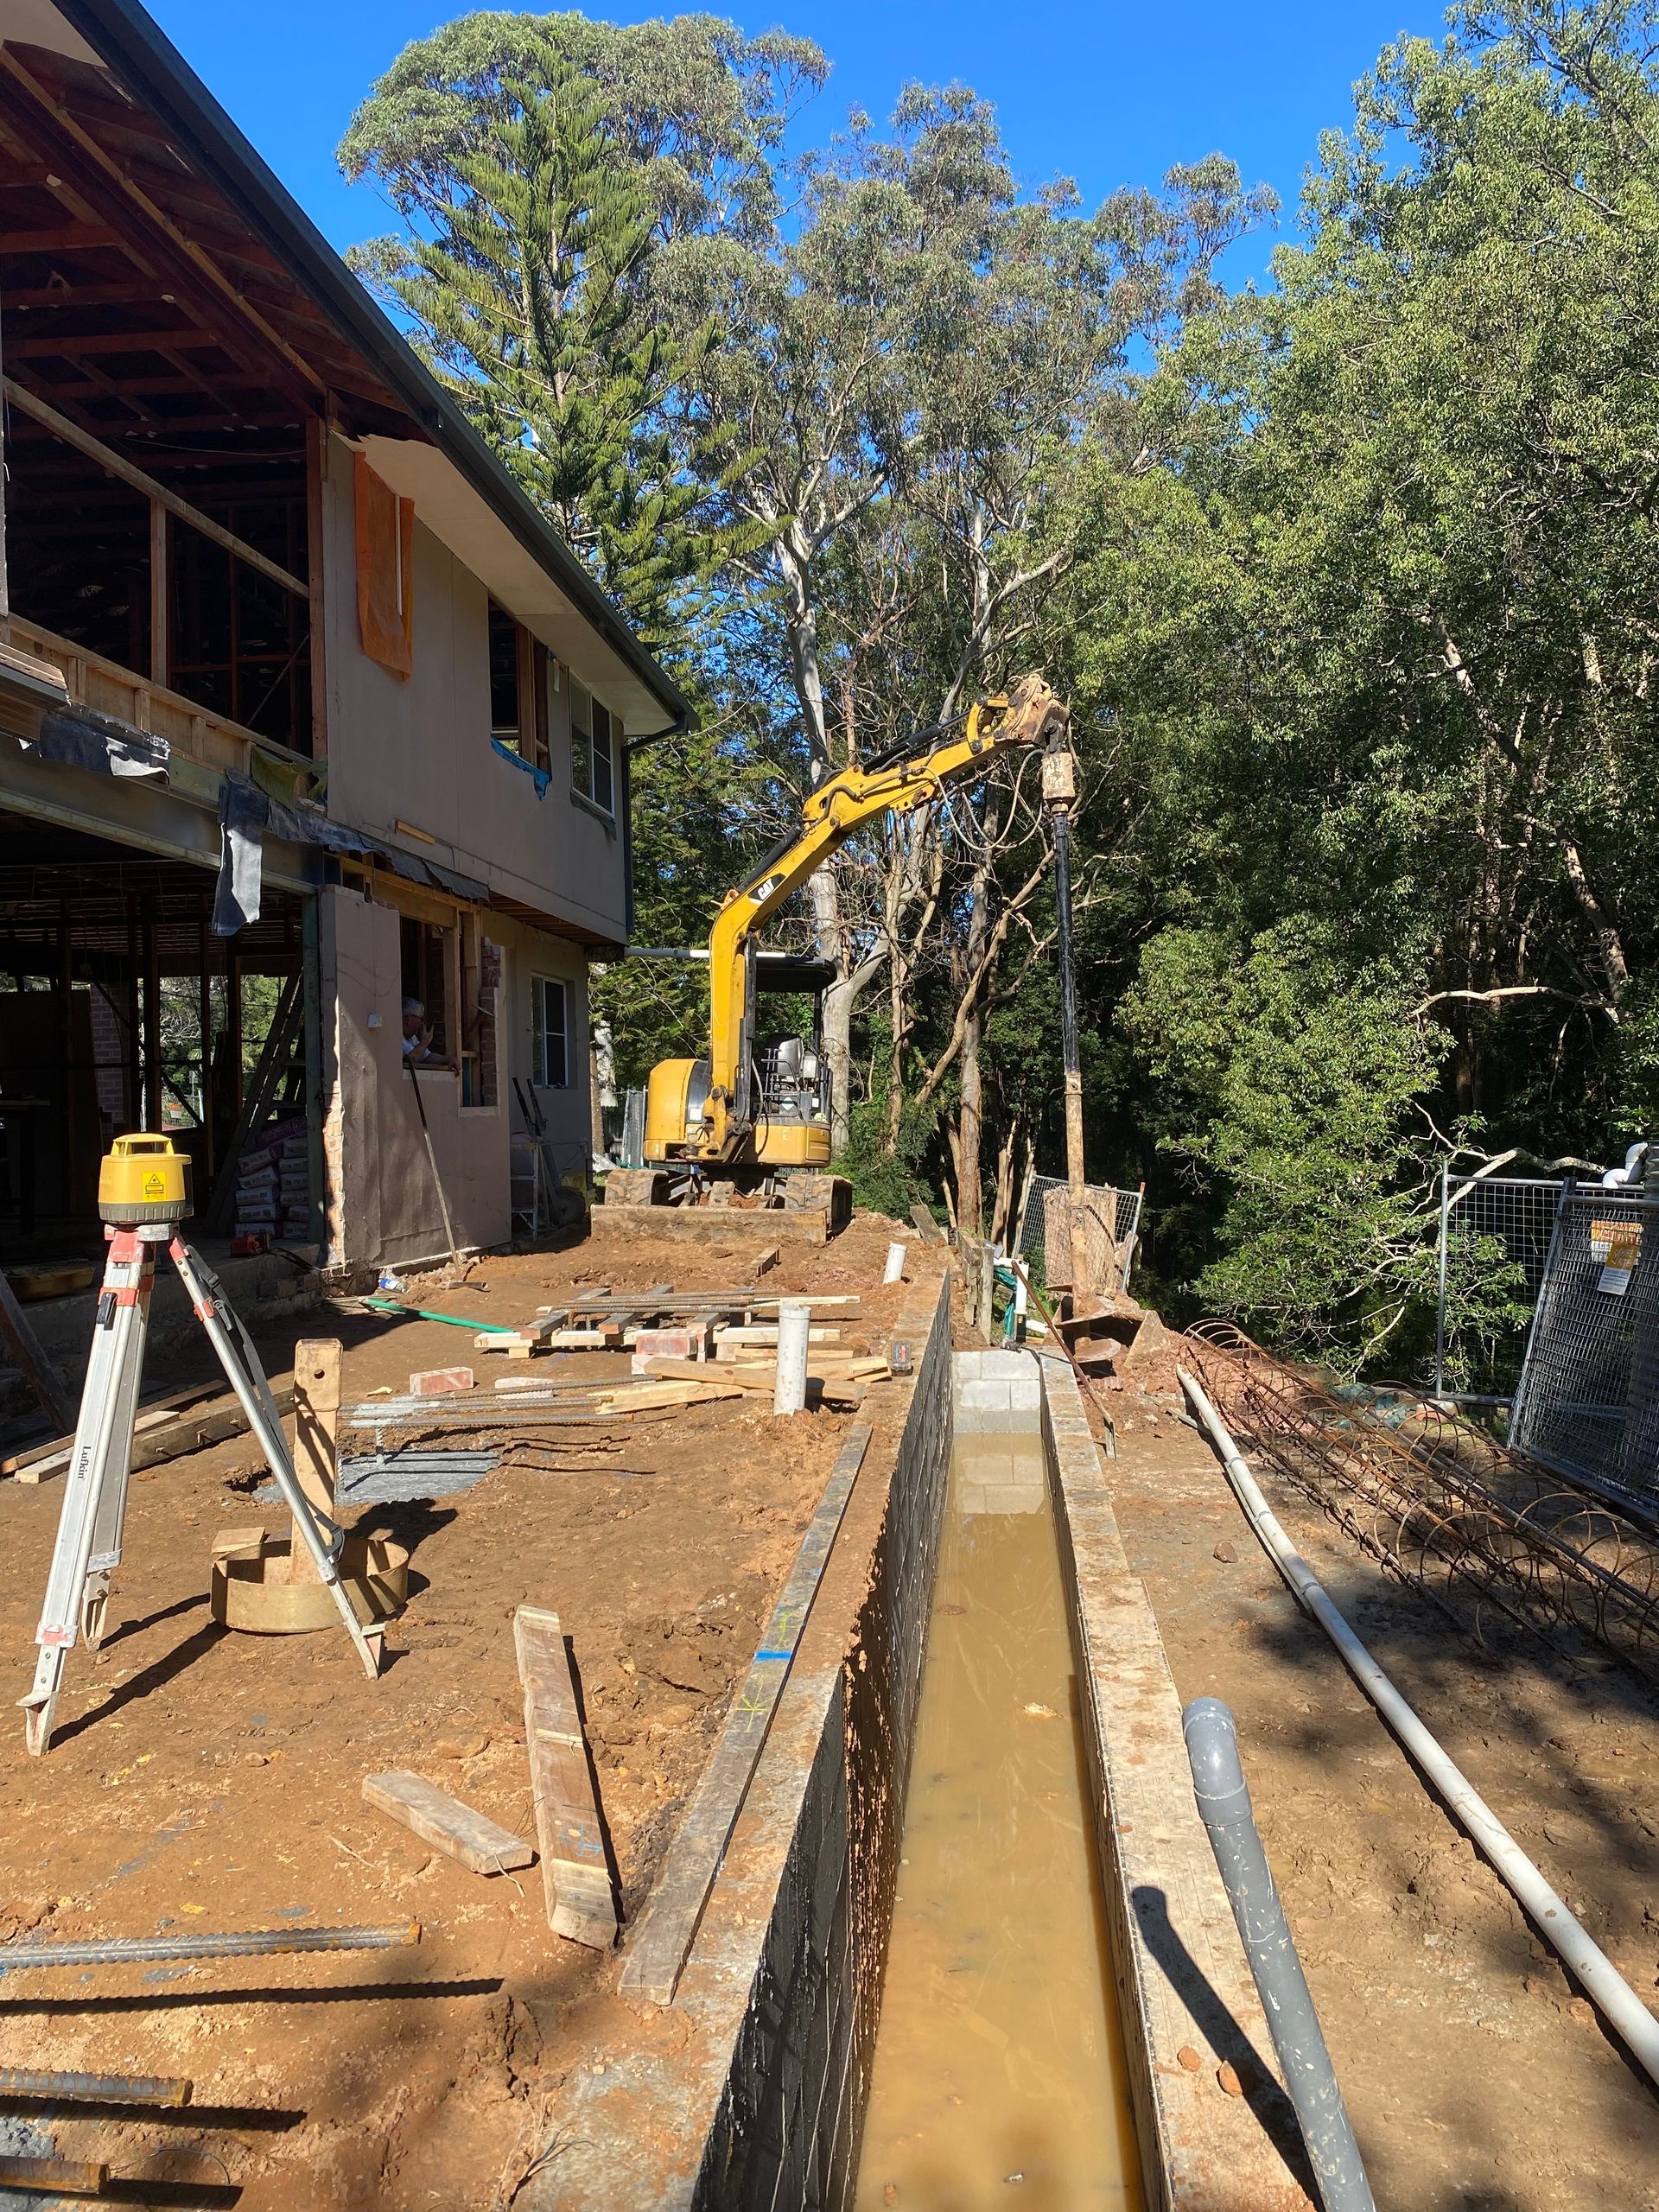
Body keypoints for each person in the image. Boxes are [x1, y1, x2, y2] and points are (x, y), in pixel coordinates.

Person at [401, 997, 433, 1063]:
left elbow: (427, 1056)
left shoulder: (412, 1037)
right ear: (409, 1020)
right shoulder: (396, 1036)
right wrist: (425, 1041)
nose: (421, 1024)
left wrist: (448, 1060)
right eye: (420, 1020)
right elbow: (412, 1057)